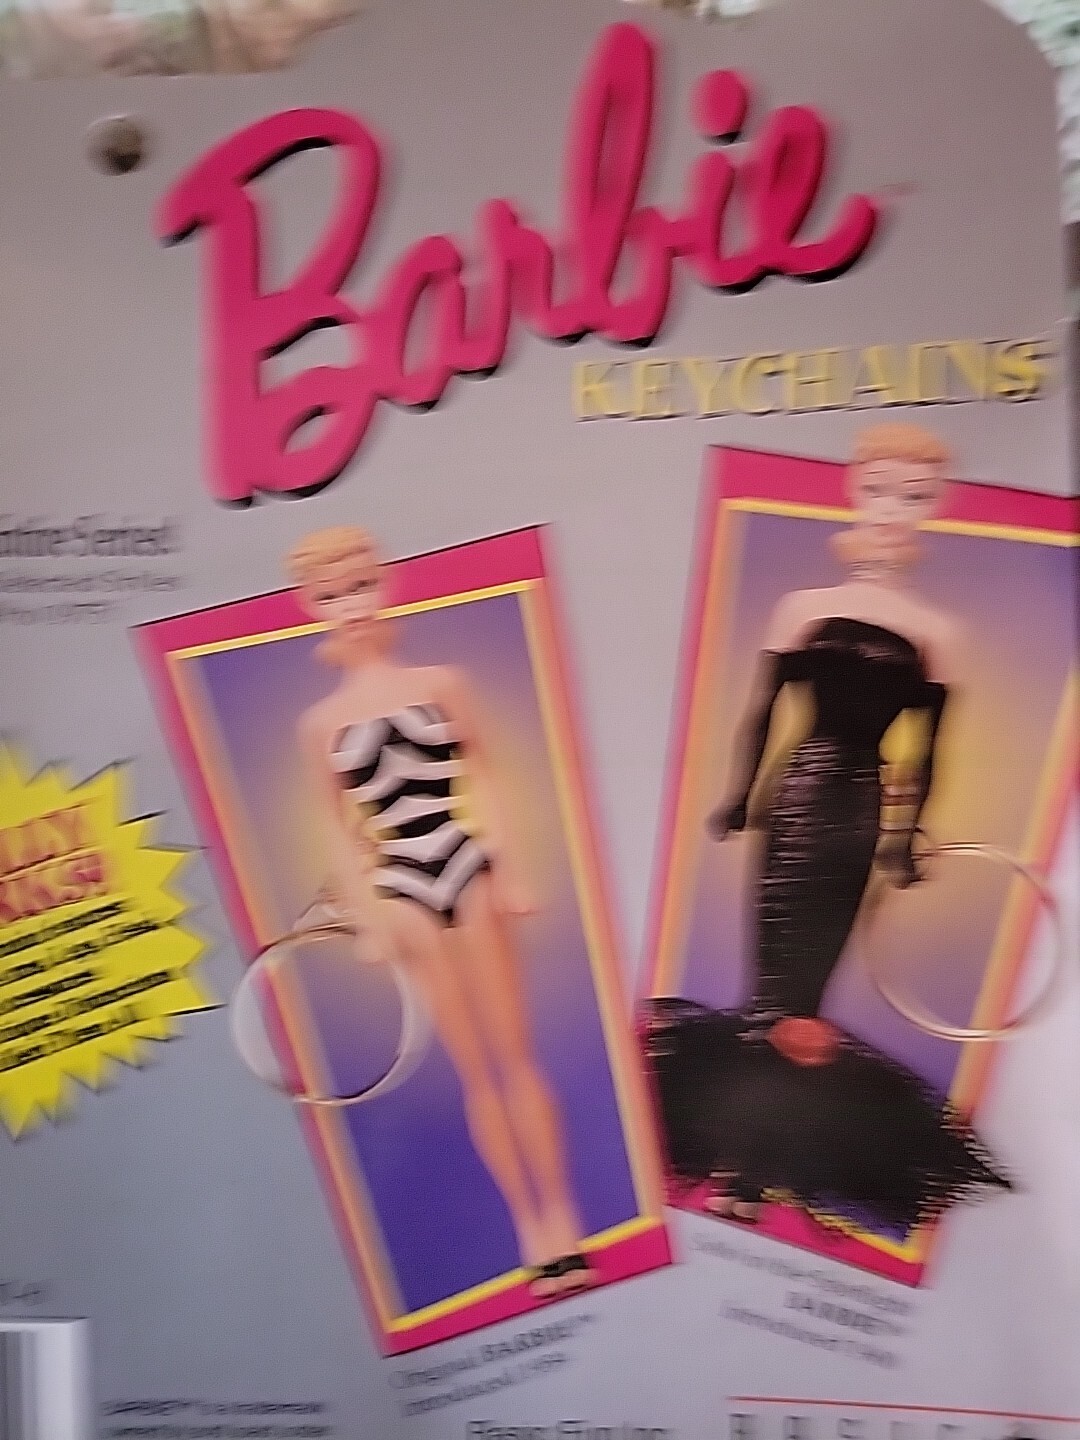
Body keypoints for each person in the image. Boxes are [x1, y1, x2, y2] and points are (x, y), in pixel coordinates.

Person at [641, 424, 1010, 1232]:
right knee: (771, 994)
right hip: (798, 793)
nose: (893, 509)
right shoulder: (804, 608)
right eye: (879, 488)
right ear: (853, 488)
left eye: (914, 495)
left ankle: (754, 1168)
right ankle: (745, 1167)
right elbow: (762, 711)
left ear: (935, 505)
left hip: (859, 807)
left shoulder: (936, 633)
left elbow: (928, 751)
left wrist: (905, 835)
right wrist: (741, 795)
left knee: (801, 999)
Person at [289, 525, 591, 1298]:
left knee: (515, 1056)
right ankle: (531, 1229)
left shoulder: (441, 682)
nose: (351, 605)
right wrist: (368, 918)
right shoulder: (319, 726)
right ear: (309, 606)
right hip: (402, 885)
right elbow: (335, 826)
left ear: (384, 581)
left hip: (467, 863)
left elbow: (484, 773)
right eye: (331, 595)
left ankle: (563, 1220)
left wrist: (511, 869)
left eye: (360, 585)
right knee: (476, 1071)